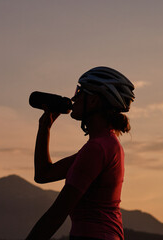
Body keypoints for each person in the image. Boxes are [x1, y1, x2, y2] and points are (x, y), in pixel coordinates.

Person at [25, 67, 135, 240]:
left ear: (93, 101)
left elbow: (56, 214)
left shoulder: (96, 149)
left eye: (79, 91)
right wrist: (44, 127)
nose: (74, 98)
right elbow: (43, 174)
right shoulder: (105, 144)